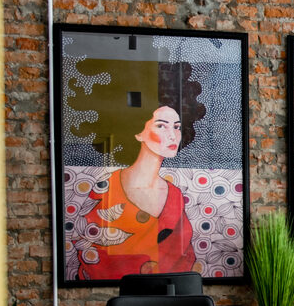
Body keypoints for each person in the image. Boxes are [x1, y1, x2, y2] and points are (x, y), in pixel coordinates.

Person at [67, 59, 207, 280]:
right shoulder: (106, 190)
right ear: (137, 130)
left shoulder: (174, 195)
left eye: (177, 127)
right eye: (161, 126)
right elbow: (91, 251)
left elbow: (185, 258)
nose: (172, 135)